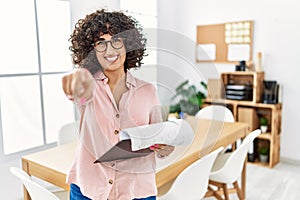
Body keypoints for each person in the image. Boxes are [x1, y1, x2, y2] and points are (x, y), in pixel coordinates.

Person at [62, 9, 174, 200]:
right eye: (100, 43)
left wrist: (164, 146)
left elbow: (160, 142)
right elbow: (75, 91)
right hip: (89, 189)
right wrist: (73, 82)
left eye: (116, 41)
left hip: (136, 190)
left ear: (127, 45)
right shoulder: (87, 87)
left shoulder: (148, 91)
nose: (110, 50)